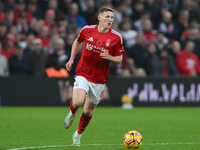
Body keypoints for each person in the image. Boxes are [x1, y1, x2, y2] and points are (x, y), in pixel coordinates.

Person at [64, 7, 124, 146]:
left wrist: (109, 57)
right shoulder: (87, 30)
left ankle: (77, 135)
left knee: (88, 110)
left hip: (100, 78)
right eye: (107, 17)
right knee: (78, 102)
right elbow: (77, 41)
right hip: (83, 71)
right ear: (99, 18)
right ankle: (72, 112)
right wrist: (71, 59)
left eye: (112, 17)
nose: (110, 20)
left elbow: (119, 59)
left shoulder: (116, 37)